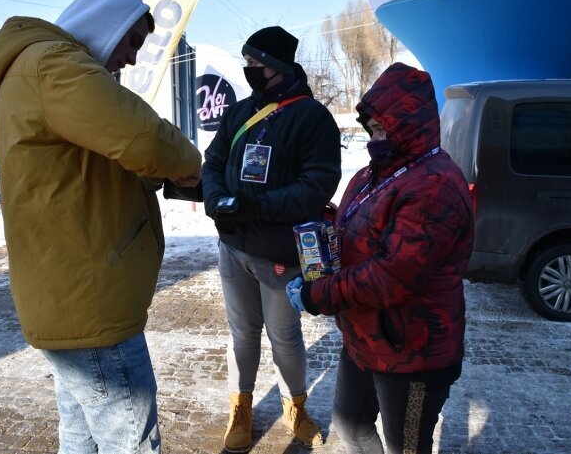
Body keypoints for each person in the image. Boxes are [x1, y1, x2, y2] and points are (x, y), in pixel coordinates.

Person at [0, 0, 202, 454]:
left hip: (67, 294)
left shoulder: (34, 67)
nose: (134, 58)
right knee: (131, 443)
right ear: (108, 25)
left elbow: (89, 164)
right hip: (89, 300)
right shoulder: (56, 67)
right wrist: (192, 167)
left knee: (81, 438)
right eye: (132, 42)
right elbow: (146, 140)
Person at [286, 63, 474, 454]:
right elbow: (351, 228)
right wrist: (316, 228)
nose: (376, 138)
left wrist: (316, 296)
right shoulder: (373, 174)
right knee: (350, 425)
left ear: (410, 125)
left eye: (383, 129)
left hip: (414, 352)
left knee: (405, 447)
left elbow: (392, 276)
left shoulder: (434, 185)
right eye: (372, 130)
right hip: (365, 338)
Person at [202, 26, 342, 452]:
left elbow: (317, 184)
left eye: (255, 65)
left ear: (278, 67)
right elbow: (213, 162)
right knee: (242, 335)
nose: (249, 71)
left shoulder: (312, 117)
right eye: (247, 64)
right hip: (233, 249)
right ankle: (240, 407)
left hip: (280, 255)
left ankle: (295, 406)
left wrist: (255, 206)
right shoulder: (240, 112)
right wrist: (215, 200)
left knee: (285, 337)